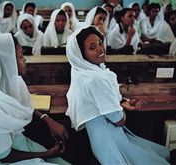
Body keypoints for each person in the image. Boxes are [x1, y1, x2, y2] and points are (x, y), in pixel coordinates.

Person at [0, 33, 71, 165]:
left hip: (14, 145)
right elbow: (2, 155)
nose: (25, 60)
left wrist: (47, 119)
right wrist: (47, 154)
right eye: (21, 56)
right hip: (1, 158)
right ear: (7, 61)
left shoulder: (12, 83)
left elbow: (21, 108)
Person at [66, 26, 170, 165]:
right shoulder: (97, 79)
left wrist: (120, 103)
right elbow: (119, 120)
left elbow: (100, 104)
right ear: (82, 55)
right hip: (110, 140)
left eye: (99, 42)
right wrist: (121, 109)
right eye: (92, 47)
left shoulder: (82, 72)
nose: (100, 48)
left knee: (156, 155)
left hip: (102, 137)